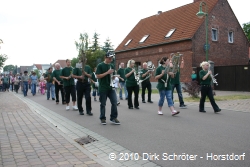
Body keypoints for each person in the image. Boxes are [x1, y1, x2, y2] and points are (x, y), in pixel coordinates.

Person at [96, 52, 120, 125]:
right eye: (109, 58)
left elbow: (111, 75)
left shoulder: (111, 65)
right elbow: (97, 76)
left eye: (111, 58)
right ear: (105, 57)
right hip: (103, 87)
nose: (111, 59)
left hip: (111, 87)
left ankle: (113, 117)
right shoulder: (100, 65)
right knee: (103, 104)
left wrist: (114, 76)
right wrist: (107, 72)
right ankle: (102, 118)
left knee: (114, 102)